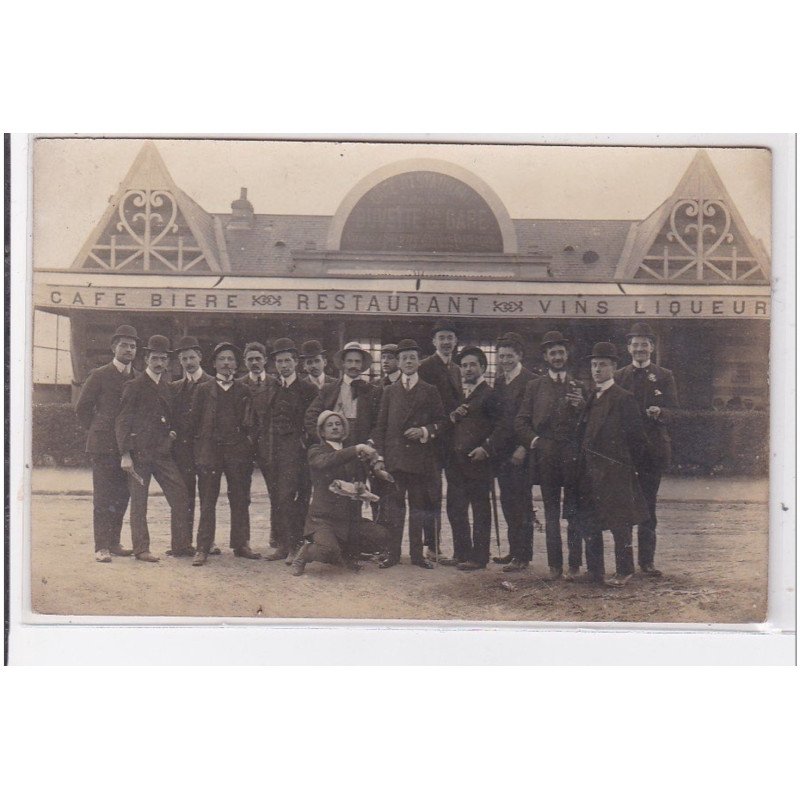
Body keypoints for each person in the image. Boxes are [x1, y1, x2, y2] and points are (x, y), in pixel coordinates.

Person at [575, 342, 652, 587]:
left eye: (603, 365)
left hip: (615, 472)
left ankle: (624, 570)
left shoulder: (623, 398)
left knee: (620, 523)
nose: (597, 370)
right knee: (590, 521)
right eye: (594, 365)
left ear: (614, 368)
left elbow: (638, 439)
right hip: (589, 471)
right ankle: (594, 571)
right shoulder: (590, 397)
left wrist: (623, 466)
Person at [515, 330, 587, 580]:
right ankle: (555, 566)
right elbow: (521, 421)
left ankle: (575, 564)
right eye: (552, 353)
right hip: (546, 458)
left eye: (561, 352)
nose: (557, 357)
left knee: (574, 513)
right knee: (551, 513)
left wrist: (581, 408)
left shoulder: (580, 386)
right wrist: (535, 442)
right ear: (545, 357)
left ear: (567, 355)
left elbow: (590, 424)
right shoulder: (534, 386)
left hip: (573, 459)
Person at [114, 335, 192, 562]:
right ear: (146, 358)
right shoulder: (134, 385)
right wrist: (125, 454)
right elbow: (122, 421)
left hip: (162, 455)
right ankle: (141, 549)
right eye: (155, 358)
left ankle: (180, 545)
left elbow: (172, 418)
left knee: (180, 495)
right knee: (139, 502)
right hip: (138, 456)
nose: (159, 363)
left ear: (168, 362)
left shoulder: (168, 387)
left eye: (163, 359)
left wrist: (172, 434)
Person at [372, 339, 445, 569]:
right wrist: (381, 457)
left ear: (418, 361)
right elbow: (381, 427)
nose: (409, 361)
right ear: (399, 363)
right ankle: (393, 555)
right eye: (404, 358)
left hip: (420, 459)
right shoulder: (389, 391)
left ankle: (417, 555)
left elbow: (441, 422)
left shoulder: (430, 390)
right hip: (395, 460)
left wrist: (424, 431)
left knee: (417, 508)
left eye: (413, 357)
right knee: (394, 509)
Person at [187, 342, 261, 566]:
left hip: (237, 452)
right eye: (222, 359)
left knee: (240, 498)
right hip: (210, 452)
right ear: (214, 363)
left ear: (237, 365)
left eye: (230, 359)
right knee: (208, 500)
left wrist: (246, 444)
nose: (226, 363)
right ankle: (203, 547)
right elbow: (193, 422)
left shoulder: (244, 390)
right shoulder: (203, 389)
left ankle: (241, 544)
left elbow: (253, 423)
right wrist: (200, 449)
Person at [614, 321, 678, 577]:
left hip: (651, 452)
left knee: (648, 506)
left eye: (645, 344)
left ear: (652, 347)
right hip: (624, 453)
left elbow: (675, 411)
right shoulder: (619, 376)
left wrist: (661, 412)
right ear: (628, 348)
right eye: (635, 344)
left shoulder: (664, 375)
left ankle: (647, 562)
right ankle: (625, 563)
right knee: (624, 506)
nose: (640, 348)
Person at [291, 411, 389, 576]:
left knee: (381, 536)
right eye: (330, 425)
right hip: (324, 519)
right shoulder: (316, 450)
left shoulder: (353, 453)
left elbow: (358, 480)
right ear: (322, 432)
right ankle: (306, 552)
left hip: (349, 518)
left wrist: (360, 488)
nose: (335, 427)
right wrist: (356, 448)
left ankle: (345, 554)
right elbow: (326, 462)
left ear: (344, 429)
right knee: (328, 550)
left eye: (338, 424)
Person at [75, 324, 139, 563]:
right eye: (124, 345)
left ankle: (114, 542)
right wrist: (97, 429)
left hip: (127, 449)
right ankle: (101, 546)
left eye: (133, 346)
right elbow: (82, 408)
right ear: (114, 347)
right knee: (103, 496)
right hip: (103, 447)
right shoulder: (99, 374)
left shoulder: (138, 376)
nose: (129, 350)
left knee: (123, 496)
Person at [438, 347, 504, 571]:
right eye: (464, 365)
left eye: (472, 364)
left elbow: (501, 427)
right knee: (455, 508)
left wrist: (486, 448)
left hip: (478, 462)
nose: (467, 369)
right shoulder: (458, 394)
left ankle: (479, 556)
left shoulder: (491, 394)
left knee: (479, 509)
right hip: (455, 462)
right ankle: (461, 552)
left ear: (483, 368)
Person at [264, 338, 318, 563]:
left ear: (296, 362)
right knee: (277, 498)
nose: (283, 365)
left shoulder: (307, 388)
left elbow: (312, 419)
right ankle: (283, 545)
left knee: (293, 498)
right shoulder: (273, 386)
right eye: (279, 361)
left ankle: (295, 545)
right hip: (274, 450)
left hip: (297, 452)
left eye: (287, 361)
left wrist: (304, 442)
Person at [491, 332, 538, 572]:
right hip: (502, 454)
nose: (506, 360)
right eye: (502, 356)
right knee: (508, 503)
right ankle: (513, 550)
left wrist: (523, 447)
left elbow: (534, 419)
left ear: (519, 355)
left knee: (522, 504)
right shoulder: (500, 381)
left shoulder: (531, 380)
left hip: (521, 453)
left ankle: (523, 555)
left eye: (510, 356)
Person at [418, 320, 461, 560]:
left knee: (455, 495)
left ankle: (459, 549)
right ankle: (432, 546)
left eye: (450, 338)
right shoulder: (425, 367)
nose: (446, 342)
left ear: (455, 342)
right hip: (432, 440)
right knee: (431, 494)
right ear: (434, 341)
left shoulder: (456, 368)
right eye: (441, 337)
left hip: (454, 442)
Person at [169, 335, 215, 555]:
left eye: (192, 357)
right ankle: (182, 543)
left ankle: (207, 543)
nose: (188, 362)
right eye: (184, 358)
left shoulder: (213, 383)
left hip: (207, 450)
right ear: (180, 361)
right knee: (183, 496)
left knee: (207, 498)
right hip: (183, 451)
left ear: (200, 357)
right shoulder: (176, 387)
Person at [236, 342, 280, 548]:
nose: (254, 363)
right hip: (244, 446)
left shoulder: (276, 384)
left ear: (265, 360)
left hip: (269, 445)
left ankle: (277, 537)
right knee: (241, 494)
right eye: (250, 359)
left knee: (276, 492)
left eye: (258, 359)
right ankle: (243, 541)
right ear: (245, 362)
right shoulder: (238, 384)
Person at [303, 341, 382, 447]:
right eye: (349, 361)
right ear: (343, 363)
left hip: (362, 446)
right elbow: (310, 417)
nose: (353, 365)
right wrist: (323, 440)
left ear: (362, 364)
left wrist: (371, 442)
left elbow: (379, 422)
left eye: (357, 361)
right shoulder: (329, 389)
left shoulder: (373, 391)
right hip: (334, 448)